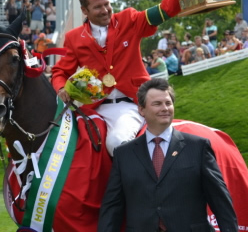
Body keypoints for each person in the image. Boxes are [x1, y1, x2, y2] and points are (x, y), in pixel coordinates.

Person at [52, 0, 205, 156]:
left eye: (107, 4)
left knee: (117, 142)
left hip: (131, 104)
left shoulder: (130, 19)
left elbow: (165, 9)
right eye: (98, 7)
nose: (106, 10)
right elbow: (60, 71)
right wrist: (62, 88)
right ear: (84, 11)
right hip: (94, 108)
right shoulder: (74, 37)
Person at [98, 78, 238, 232]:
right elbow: (112, 208)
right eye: (157, 104)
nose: (164, 108)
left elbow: (220, 201)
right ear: (141, 110)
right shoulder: (123, 154)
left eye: (168, 103)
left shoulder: (198, 147)